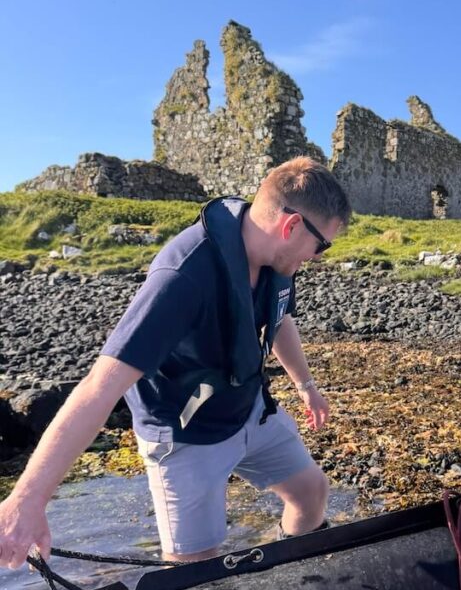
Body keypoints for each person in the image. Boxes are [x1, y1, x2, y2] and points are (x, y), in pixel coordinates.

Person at [0, 157, 351, 568]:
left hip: (246, 408)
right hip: (184, 432)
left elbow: (280, 315)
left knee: (312, 493)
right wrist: (27, 499)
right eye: (321, 246)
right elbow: (100, 386)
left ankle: (288, 575)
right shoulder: (182, 275)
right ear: (291, 226)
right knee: (194, 569)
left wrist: (306, 386)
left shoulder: (277, 258)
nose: (318, 257)